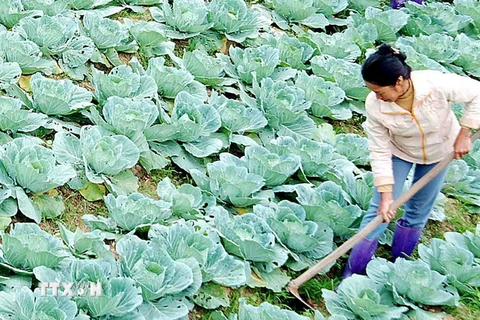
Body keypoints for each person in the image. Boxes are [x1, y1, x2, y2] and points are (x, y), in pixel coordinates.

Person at [342, 43, 480, 278]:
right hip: (399, 151)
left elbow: (476, 92)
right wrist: (387, 195)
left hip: (439, 150)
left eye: (380, 91)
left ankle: (400, 264)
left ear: (398, 81)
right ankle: (354, 273)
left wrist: (465, 133)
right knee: (379, 211)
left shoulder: (433, 84)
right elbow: (379, 150)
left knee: (418, 211)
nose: (377, 97)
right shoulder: (375, 106)